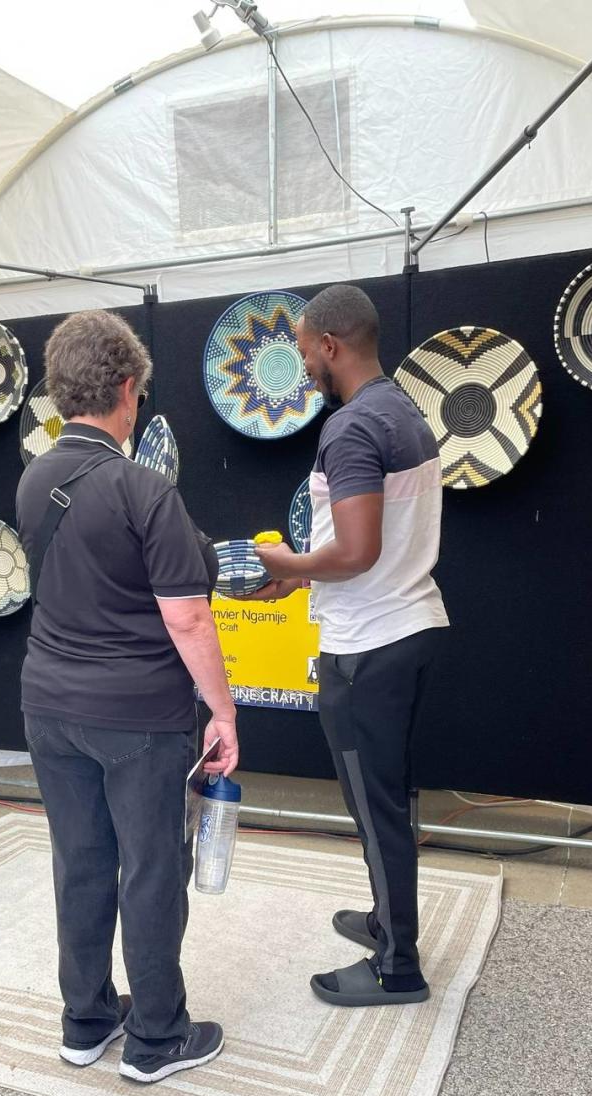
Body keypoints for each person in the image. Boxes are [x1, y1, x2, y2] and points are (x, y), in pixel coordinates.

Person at [16, 309, 238, 1083]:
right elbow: (187, 616)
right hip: (140, 718)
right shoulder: (145, 489)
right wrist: (224, 710)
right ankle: (155, 1037)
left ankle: (85, 1021)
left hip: (47, 707)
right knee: (151, 868)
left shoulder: (33, 479)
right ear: (127, 388)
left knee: (79, 862)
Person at [255, 284, 448, 1007]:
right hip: (406, 627)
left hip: (369, 646)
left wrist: (286, 565)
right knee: (388, 799)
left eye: (304, 350)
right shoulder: (402, 411)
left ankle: (398, 967)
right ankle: (385, 922)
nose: (303, 363)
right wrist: (303, 582)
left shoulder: (351, 427)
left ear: (330, 346)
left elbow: (359, 551)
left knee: (377, 807)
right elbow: (378, 545)